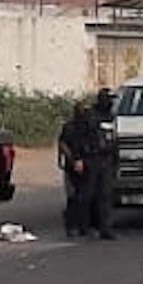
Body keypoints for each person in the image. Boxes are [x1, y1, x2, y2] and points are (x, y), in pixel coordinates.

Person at [57, 100, 95, 237]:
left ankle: (83, 226)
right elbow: (63, 144)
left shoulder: (90, 127)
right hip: (73, 165)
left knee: (85, 197)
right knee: (74, 197)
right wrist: (74, 160)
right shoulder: (70, 127)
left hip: (85, 164)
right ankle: (73, 226)